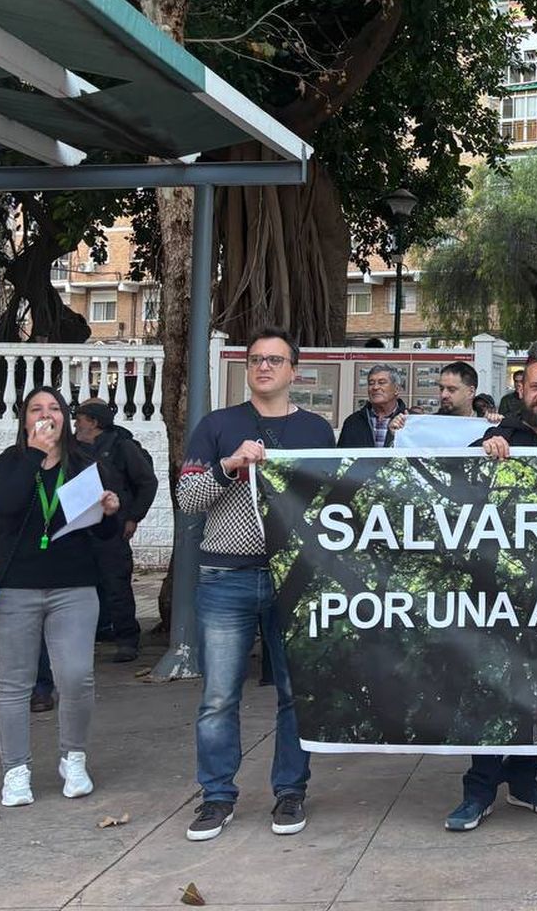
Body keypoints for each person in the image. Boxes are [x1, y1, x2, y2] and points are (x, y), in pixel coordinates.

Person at [178, 327, 335, 842]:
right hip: (227, 575)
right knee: (220, 694)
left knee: (295, 692)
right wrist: (228, 465)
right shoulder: (218, 426)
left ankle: (291, 791)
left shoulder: (317, 430)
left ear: (295, 369)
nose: (263, 367)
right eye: (255, 360)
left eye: (274, 360)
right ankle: (217, 796)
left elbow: (334, 501)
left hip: (294, 578)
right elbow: (189, 499)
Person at [448, 358, 537, 832]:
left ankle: (525, 780)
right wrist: (481, 457)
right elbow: (456, 494)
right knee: (491, 686)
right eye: (536, 386)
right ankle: (479, 789)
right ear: (521, 389)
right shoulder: (496, 438)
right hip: (498, 591)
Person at [0, 386, 124, 808]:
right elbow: (1, 511)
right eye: (36, 409)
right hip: (13, 589)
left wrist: (110, 511)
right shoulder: (10, 463)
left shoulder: (85, 464)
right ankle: (16, 770)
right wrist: (31, 457)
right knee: (13, 685)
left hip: (74, 586)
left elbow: (101, 533)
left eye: (55, 408)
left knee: (77, 676)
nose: (47, 415)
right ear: (24, 420)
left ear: (67, 418)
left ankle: (73, 758)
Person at [72, 399, 158, 663]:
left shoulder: (122, 447)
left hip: (113, 528)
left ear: (94, 423)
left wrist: (133, 518)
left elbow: (146, 482)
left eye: (81, 418)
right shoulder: (72, 449)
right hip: (78, 529)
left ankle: (127, 639)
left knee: (116, 583)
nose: (76, 423)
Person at [337, 363, 407, 448]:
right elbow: (342, 458)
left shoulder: (409, 420)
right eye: (371, 383)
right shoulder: (353, 422)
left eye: (381, 383)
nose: (375, 387)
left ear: (396, 389)